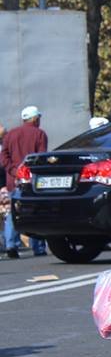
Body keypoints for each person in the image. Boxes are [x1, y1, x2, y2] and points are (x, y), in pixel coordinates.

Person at [1, 106, 49, 258]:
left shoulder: (10, 135)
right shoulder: (40, 134)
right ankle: (38, 247)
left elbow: (4, 157)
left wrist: (13, 170)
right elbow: (41, 158)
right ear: (35, 119)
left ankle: (10, 244)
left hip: (13, 180)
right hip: (32, 180)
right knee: (35, 212)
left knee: (13, 212)